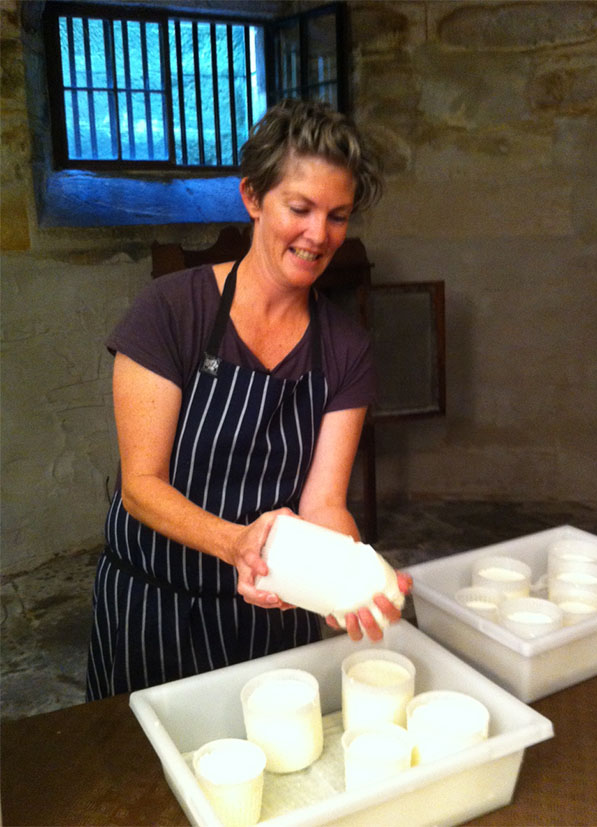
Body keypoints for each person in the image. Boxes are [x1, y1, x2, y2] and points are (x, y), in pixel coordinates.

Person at [86, 99, 411, 701]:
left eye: (337, 216)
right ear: (253, 198)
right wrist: (236, 543)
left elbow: (323, 503)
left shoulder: (345, 347)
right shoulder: (171, 311)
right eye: (300, 208)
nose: (319, 235)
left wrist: (354, 576)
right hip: (154, 607)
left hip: (268, 613)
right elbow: (142, 485)